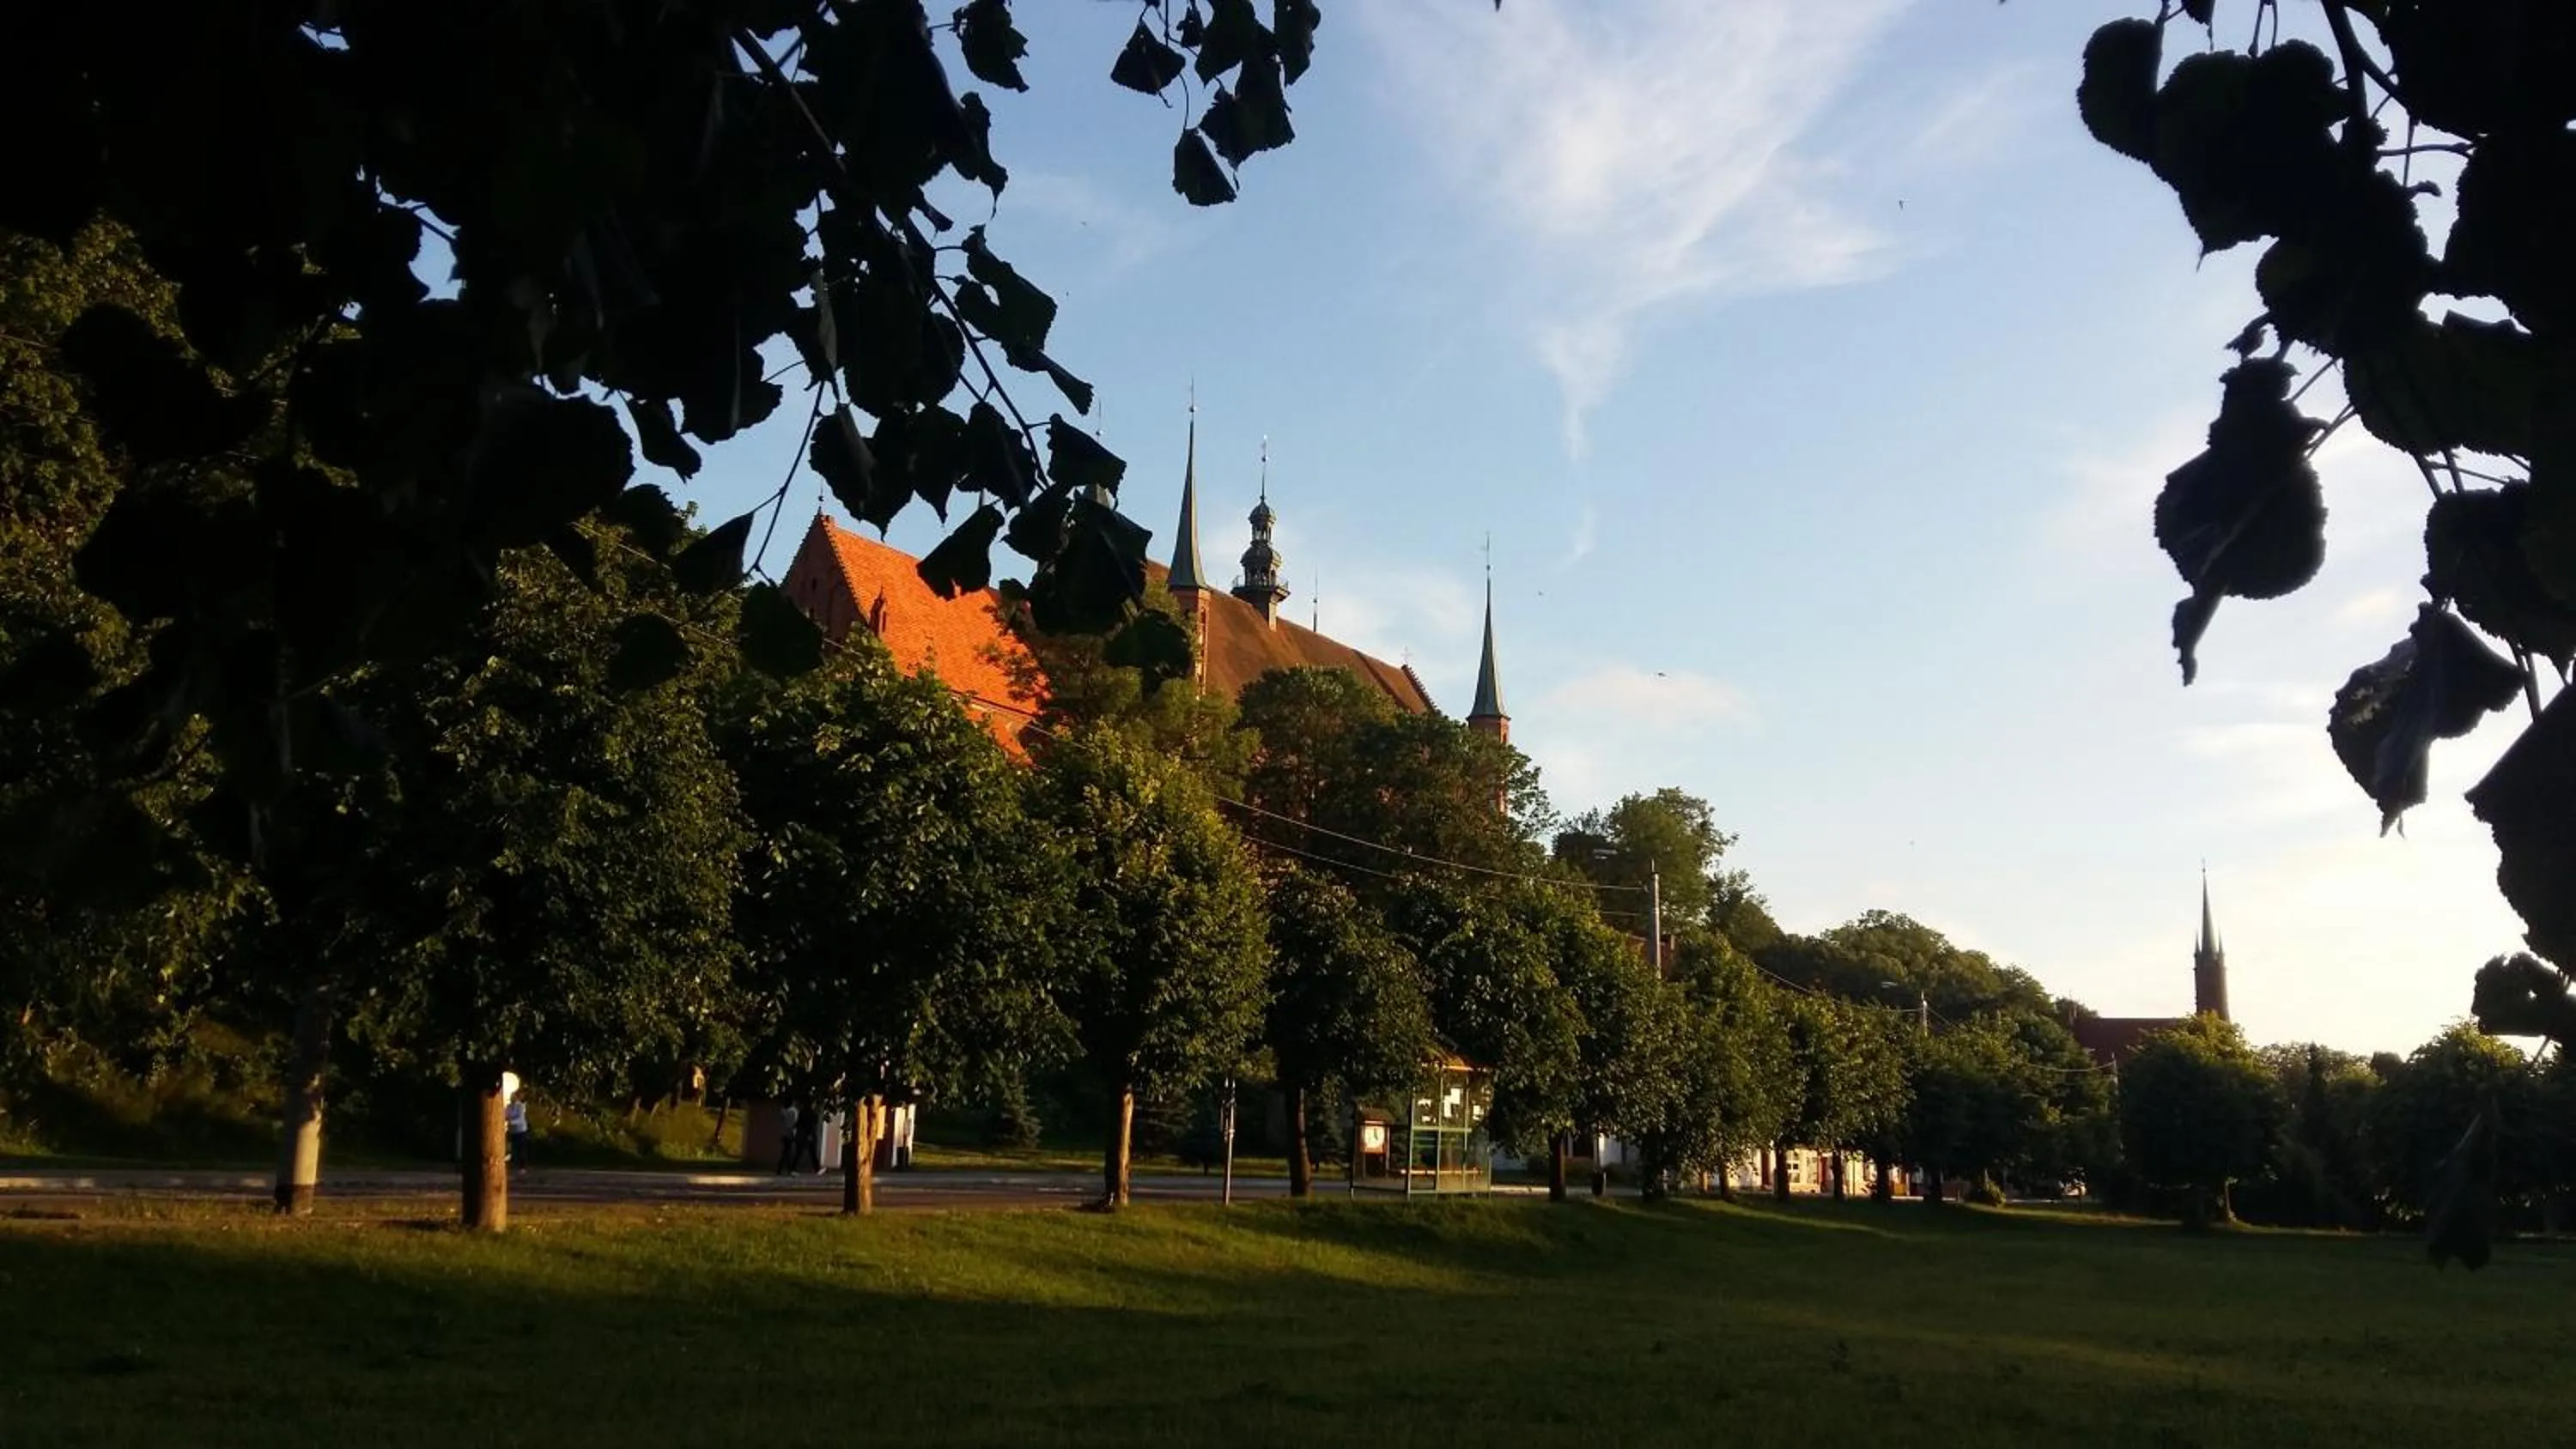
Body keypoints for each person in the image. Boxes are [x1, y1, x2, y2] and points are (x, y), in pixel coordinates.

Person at [504, 1091, 532, 1173]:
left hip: (521, 1130)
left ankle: (522, 1167)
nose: (512, 1098)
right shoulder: (508, 1106)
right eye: (511, 1096)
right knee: (511, 1148)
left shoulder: (520, 1107)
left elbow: (520, 1119)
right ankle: (512, 1164)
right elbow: (505, 1115)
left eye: (513, 1096)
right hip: (512, 1131)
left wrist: (510, 1121)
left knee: (521, 1149)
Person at [775, 1100, 800, 1175]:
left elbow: (783, 1120)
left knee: (786, 1152)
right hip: (791, 1133)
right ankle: (788, 1169)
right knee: (788, 1152)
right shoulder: (794, 1111)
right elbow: (795, 1123)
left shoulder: (785, 1112)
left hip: (785, 1133)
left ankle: (781, 1169)